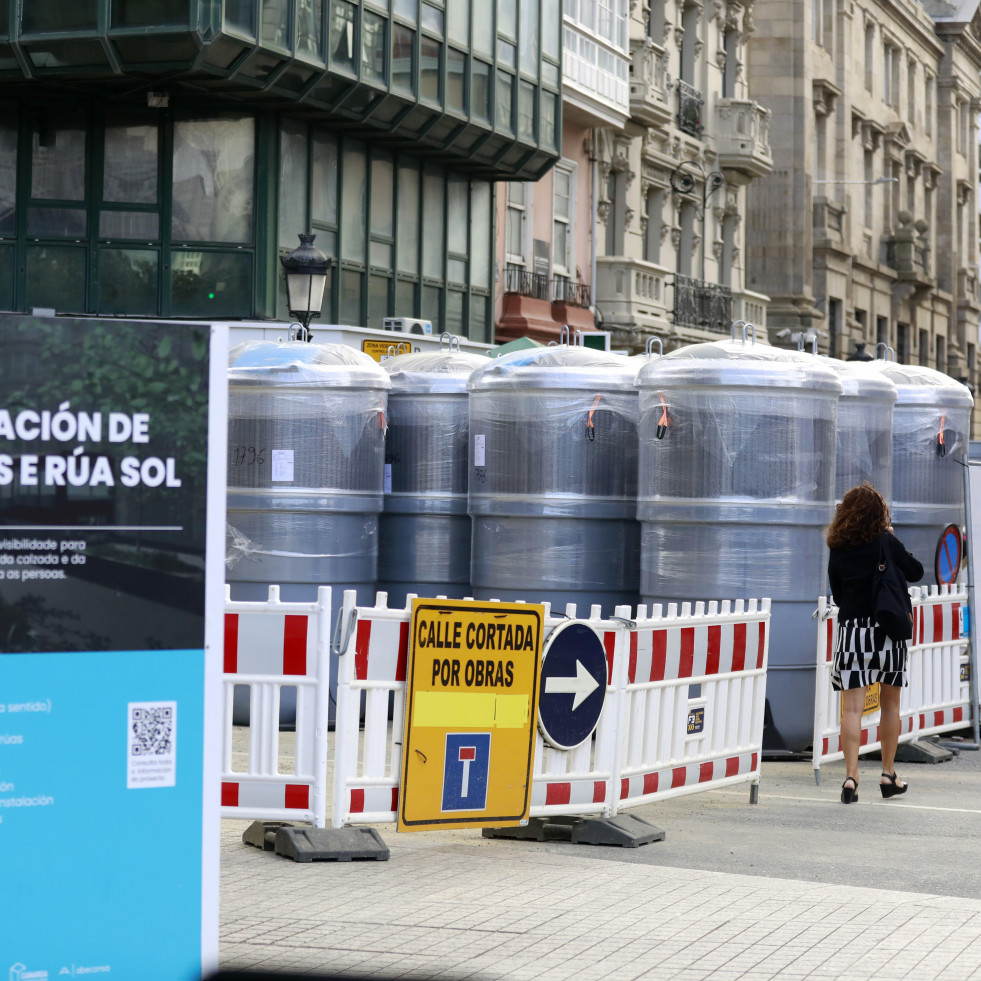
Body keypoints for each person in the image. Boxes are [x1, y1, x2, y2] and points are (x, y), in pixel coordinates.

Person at [826, 482, 924, 803]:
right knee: (890, 704)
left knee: (852, 709)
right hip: (886, 632)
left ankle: (851, 777)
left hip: (852, 632)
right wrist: (892, 538)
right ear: (878, 514)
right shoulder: (885, 541)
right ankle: (887, 774)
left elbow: (838, 595)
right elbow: (916, 571)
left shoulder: (838, 546)